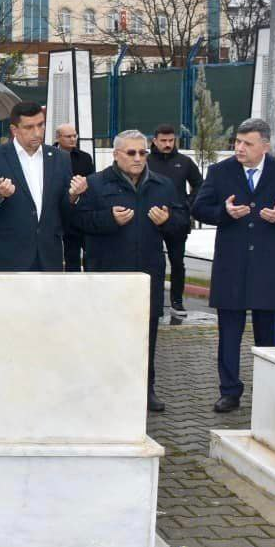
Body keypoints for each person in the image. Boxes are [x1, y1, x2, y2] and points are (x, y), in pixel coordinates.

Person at [192, 117, 275, 413]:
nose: (239, 148)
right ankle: (229, 391)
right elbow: (199, 207)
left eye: (247, 143)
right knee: (229, 333)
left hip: (269, 267)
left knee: (268, 335)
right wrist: (224, 212)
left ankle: (268, 391)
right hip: (232, 266)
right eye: (237, 142)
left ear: (265, 147)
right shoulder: (220, 171)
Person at [74, 129, 190, 413]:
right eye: (131, 153)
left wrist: (167, 221)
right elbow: (77, 222)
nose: (138, 158)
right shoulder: (96, 184)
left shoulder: (163, 185)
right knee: (106, 335)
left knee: (146, 336)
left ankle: (145, 389)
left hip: (147, 275)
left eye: (142, 153)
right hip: (107, 275)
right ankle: (102, 389)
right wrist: (108, 219)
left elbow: (183, 223)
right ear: (116, 154)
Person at [0, 102, 87, 271]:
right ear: (14, 130)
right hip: (8, 257)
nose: (37, 132)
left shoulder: (60, 158)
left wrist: (73, 196)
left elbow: (64, 209)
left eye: (40, 125)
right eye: (29, 127)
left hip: (48, 255)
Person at [147, 124, 203, 321]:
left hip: (177, 220)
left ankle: (177, 301)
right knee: (152, 262)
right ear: (154, 140)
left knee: (177, 262)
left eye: (171, 140)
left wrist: (187, 203)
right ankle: (153, 301)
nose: (168, 144)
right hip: (150, 219)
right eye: (163, 140)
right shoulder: (145, 161)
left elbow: (199, 184)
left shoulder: (184, 162)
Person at [54, 123, 97, 272]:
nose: (73, 139)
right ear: (58, 138)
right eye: (68, 136)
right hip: (59, 211)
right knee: (69, 254)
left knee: (89, 252)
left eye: (74, 136)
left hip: (82, 211)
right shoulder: (49, 157)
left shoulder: (84, 158)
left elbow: (92, 182)